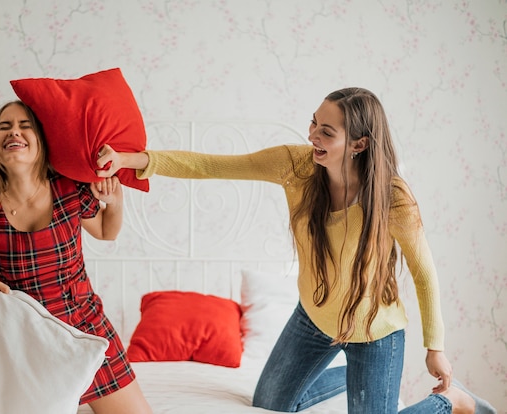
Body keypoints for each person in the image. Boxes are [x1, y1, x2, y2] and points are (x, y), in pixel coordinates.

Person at [95, 88, 496, 414]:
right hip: (314, 316)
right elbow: (208, 165)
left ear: (359, 143)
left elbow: (424, 272)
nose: (312, 137)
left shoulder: (393, 197)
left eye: (326, 132)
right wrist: (129, 160)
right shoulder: (295, 166)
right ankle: (349, 374)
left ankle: (449, 400)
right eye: (313, 124)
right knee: (269, 404)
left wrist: (435, 348)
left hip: (375, 331)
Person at [0, 100, 152, 414]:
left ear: (41, 140)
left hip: (87, 330)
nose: (13, 131)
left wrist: (115, 201)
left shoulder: (70, 185)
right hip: (25, 343)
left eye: (24, 125)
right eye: (4, 127)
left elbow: (106, 232)